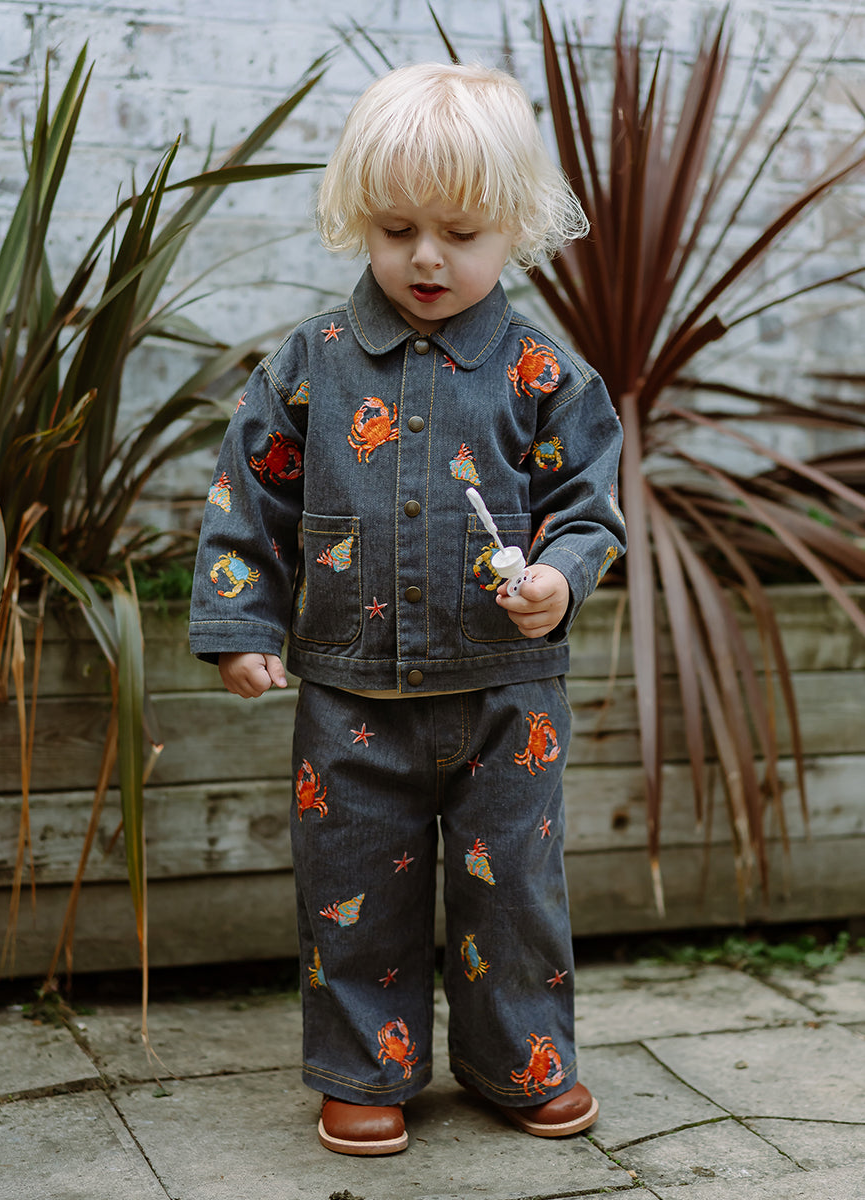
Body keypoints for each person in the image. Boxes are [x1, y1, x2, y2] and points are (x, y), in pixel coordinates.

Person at [189, 61, 625, 1157]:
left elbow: (587, 509)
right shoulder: (311, 364)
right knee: (351, 889)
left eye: (461, 233)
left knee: (515, 891)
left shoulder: (545, 374)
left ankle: (518, 1060)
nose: (427, 257)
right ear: (360, 219)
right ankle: (363, 1066)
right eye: (397, 230)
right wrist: (241, 627)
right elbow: (251, 497)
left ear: (517, 226)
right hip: (351, 700)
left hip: (506, 702)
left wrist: (559, 578)